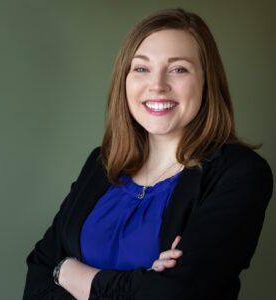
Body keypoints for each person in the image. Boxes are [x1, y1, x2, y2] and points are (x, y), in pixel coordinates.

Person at [23, 8, 273, 300]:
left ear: (207, 81)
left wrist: (67, 270)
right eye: (141, 68)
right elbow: (39, 272)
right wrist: (138, 283)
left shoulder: (241, 174)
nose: (157, 85)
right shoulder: (102, 163)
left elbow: (174, 294)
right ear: (124, 80)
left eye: (178, 69)